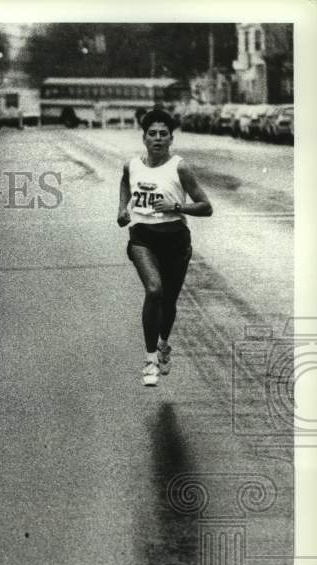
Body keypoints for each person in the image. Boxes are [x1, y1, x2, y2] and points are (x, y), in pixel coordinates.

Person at [117, 110, 213, 386]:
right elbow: (125, 182)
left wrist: (177, 206)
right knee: (154, 290)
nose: (158, 139)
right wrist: (123, 209)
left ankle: (163, 345)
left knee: (168, 302)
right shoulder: (132, 165)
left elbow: (206, 206)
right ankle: (149, 360)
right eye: (152, 134)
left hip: (176, 240)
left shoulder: (179, 167)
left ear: (171, 138)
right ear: (144, 137)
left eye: (163, 134)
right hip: (142, 237)